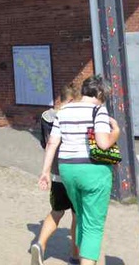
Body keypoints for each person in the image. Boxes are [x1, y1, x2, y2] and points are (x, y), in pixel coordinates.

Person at [37, 75, 121, 265]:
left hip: (67, 169)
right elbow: (103, 143)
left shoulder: (64, 110)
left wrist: (45, 171)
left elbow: (52, 142)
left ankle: (77, 257)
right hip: (93, 170)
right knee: (94, 225)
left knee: (81, 216)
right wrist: (115, 132)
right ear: (99, 92)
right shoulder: (98, 110)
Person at [31, 83, 80, 265]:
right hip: (74, 171)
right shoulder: (73, 117)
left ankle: (40, 244)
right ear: (73, 99)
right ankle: (75, 256)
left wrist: (45, 171)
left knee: (57, 211)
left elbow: (47, 144)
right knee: (77, 215)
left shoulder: (47, 117)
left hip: (56, 173)